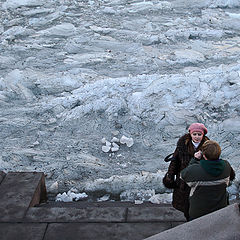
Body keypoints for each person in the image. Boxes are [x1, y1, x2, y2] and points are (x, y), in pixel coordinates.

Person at [162, 123, 209, 221]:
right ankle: (189, 221)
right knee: (186, 204)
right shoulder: (182, 145)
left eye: (199, 134)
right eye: (194, 134)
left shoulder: (207, 146)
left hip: (199, 180)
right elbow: (175, 161)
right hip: (184, 180)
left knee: (198, 204)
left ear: (203, 135)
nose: (197, 137)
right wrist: (170, 176)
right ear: (190, 134)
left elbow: (212, 159)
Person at [180, 140, 235, 220]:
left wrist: (194, 160)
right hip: (220, 210)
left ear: (204, 155)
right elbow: (231, 178)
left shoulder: (195, 170)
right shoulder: (226, 166)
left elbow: (183, 175)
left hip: (198, 213)